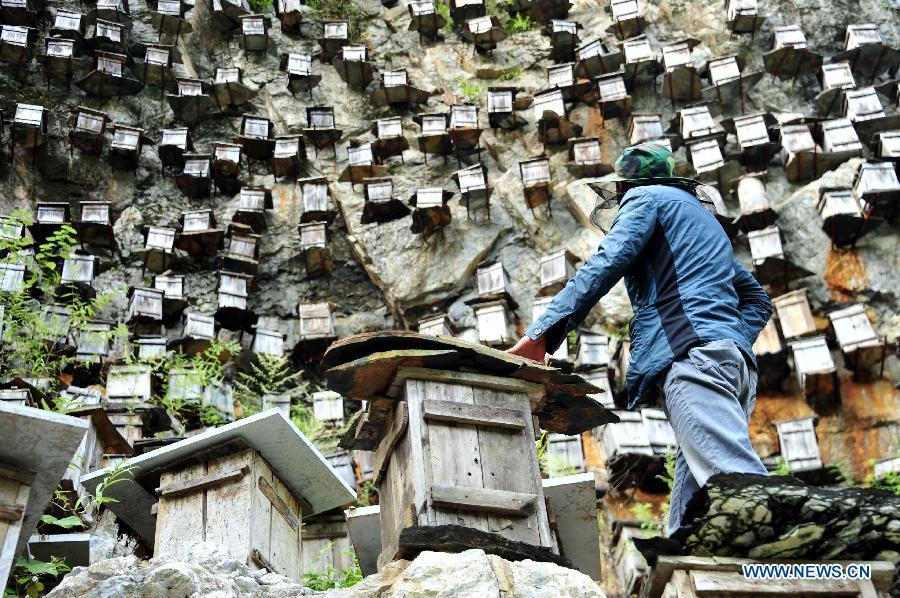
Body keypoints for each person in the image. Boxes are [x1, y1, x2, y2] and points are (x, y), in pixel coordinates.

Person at [506, 142, 772, 534]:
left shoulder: (645, 199)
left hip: (694, 361)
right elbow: (758, 300)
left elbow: (607, 261)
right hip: (733, 369)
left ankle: (815, 572)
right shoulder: (701, 220)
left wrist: (541, 335)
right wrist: (730, 338)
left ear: (629, 184)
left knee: (741, 489)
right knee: (690, 520)